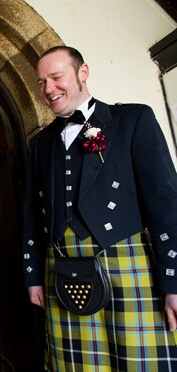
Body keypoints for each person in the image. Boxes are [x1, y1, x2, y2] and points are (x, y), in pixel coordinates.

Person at [22, 45, 177, 370]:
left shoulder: (133, 119)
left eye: (56, 77)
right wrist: (33, 275)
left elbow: (165, 203)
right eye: (41, 82)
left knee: (139, 361)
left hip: (126, 263)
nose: (48, 89)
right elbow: (33, 215)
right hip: (60, 269)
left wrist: (173, 282)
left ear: (83, 72)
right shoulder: (40, 143)